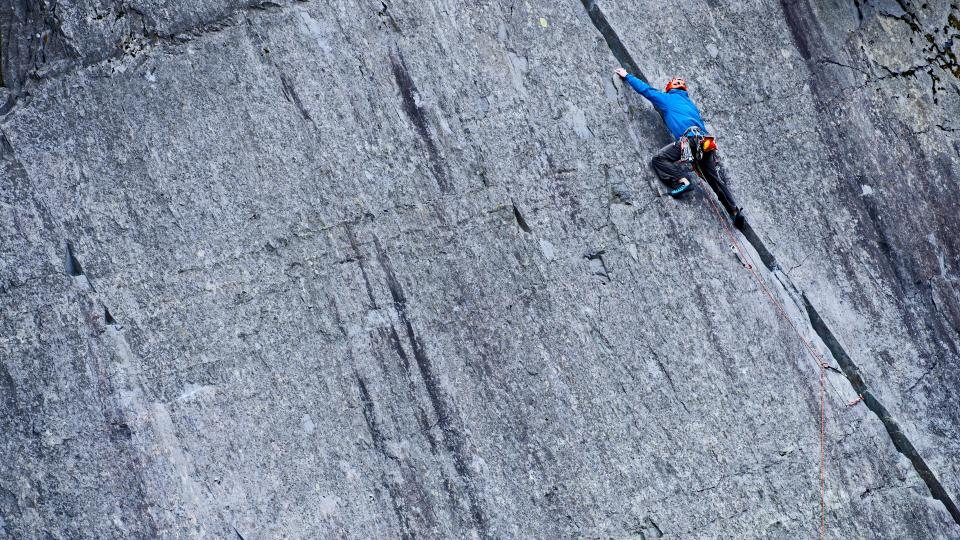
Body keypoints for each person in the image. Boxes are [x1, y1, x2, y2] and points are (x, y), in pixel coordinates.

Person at [615, 68, 743, 228]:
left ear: (670, 88)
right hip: (705, 143)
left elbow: (647, 91)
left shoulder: (668, 99)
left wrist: (627, 75)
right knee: (714, 179)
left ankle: (682, 181)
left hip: (689, 140)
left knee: (659, 159)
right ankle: (734, 211)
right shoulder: (691, 105)